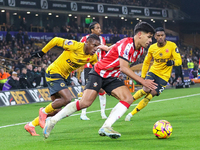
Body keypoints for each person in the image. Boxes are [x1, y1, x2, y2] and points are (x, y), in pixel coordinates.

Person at [43, 21, 157, 139]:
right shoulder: (128, 45)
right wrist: (143, 82)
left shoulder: (140, 50)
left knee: (128, 98)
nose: (150, 41)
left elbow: (116, 46)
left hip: (111, 76)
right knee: (85, 103)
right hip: (99, 72)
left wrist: (107, 48)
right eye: (149, 37)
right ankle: (52, 120)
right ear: (139, 34)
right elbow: (124, 67)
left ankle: (106, 126)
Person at [24, 34, 100, 136]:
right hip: (54, 72)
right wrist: (42, 52)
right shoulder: (75, 46)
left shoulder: (92, 57)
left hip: (62, 77)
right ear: (87, 43)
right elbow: (55, 40)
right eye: (94, 45)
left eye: (97, 46)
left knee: (57, 110)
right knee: (67, 99)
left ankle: (31, 125)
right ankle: (43, 111)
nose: (96, 48)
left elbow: (98, 69)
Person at [125, 27, 182, 121]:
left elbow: (179, 60)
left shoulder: (172, 46)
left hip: (164, 77)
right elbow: (146, 62)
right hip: (153, 72)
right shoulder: (152, 48)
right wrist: (143, 77)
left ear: (165, 36)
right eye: (158, 35)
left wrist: (173, 62)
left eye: (162, 35)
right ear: (155, 36)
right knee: (145, 89)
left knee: (150, 95)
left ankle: (131, 114)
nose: (160, 37)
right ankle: (125, 105)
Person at [79, 21, 108, 120]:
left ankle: (103, 113)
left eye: (100, 27)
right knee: (88, 89)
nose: (100, 29)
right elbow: (80, 51)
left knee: (102, 90)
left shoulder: (102, 39)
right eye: (97, 28)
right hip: (89, 67)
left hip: (99, 67)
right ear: (92, 30)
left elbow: (104, 54)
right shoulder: (84, 39)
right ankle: (83, 113)